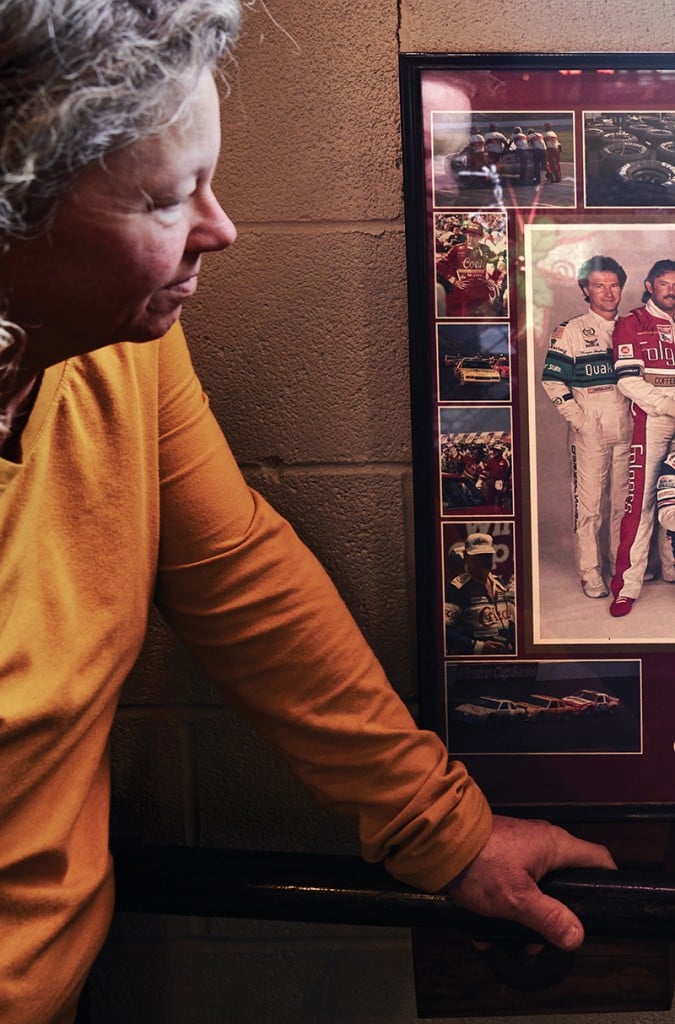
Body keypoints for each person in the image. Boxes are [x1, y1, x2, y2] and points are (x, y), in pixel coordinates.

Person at [0, 3, 615, 1021]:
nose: (222, 229)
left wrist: (444, 830)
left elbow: (236, 571)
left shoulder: (121, 344)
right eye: (166, 199)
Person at [541, 255, 631, 599]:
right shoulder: (571, 330)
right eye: (599, 286)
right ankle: (590, 573)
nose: (608, 293)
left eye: (614, 285)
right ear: (585, 288)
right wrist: (581, 421)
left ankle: (618, 567)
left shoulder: (631, 327)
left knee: (623, 504)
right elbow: (552, 381)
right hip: (589, 426)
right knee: (589, 507)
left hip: (626, 424)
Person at [610, 259, 675, 615]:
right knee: (641, 504)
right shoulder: (631, 323)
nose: (671, 290)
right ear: (650, 286)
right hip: (652, 420)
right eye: (664, 283)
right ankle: (626, 586)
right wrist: (667, 404)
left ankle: (671, 569)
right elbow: (627, 380)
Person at [444, 533, 515, 654]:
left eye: (488, 556)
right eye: (478, 557)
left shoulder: (500, 583)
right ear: (466, 557)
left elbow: (511, 620)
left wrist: (512, 643)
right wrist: (477, 646)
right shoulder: (455, 589)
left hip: (504, 660)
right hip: (474, 665)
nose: (484, 561)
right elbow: (445, 630)